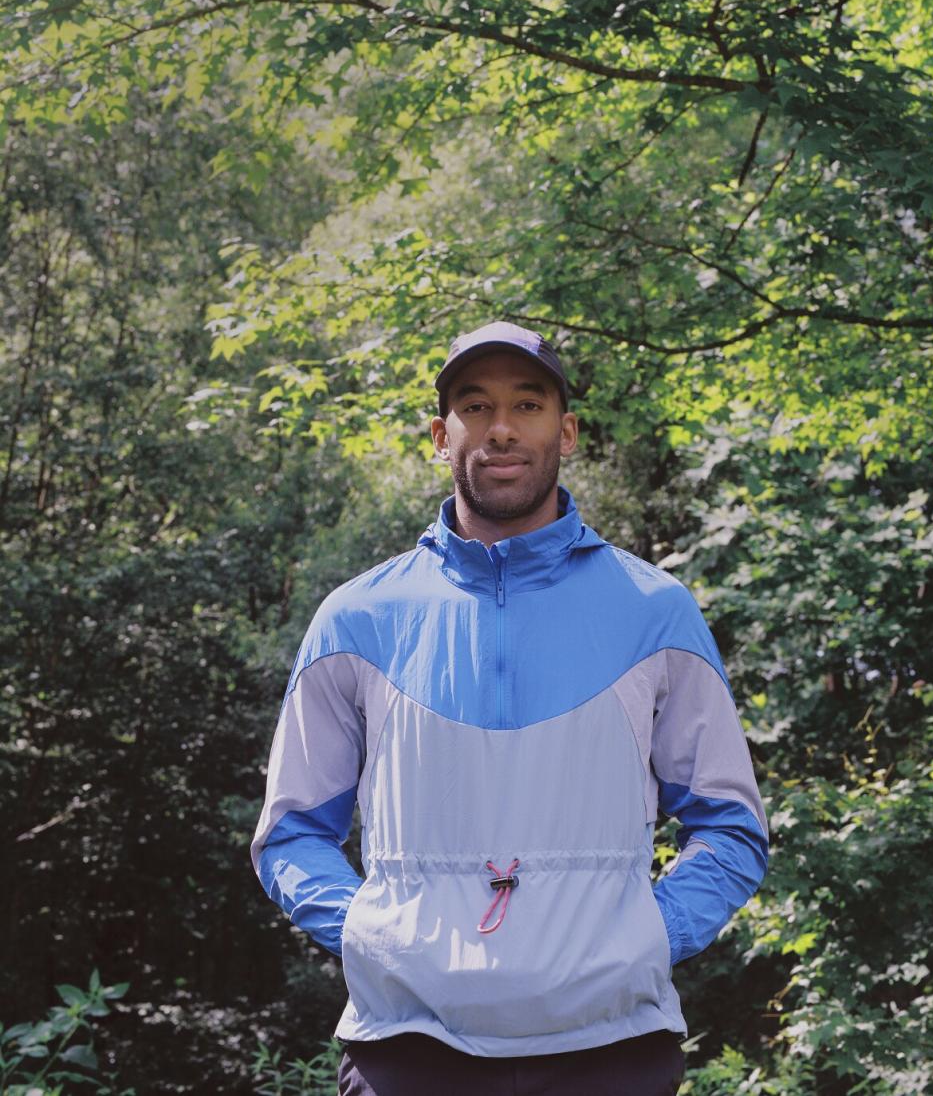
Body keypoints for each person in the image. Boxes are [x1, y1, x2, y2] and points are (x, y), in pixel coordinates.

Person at [252, 321, 768, 1096]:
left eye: (527, 405)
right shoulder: (355, 619)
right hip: (409, 1048)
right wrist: (377, 936)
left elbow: (731, 825)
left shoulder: (656, 612)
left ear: (566, 432)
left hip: (612, 1047)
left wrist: (645, 938)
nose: (501, 428)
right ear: (439, 434)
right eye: (475, 405)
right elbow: (291, 833)